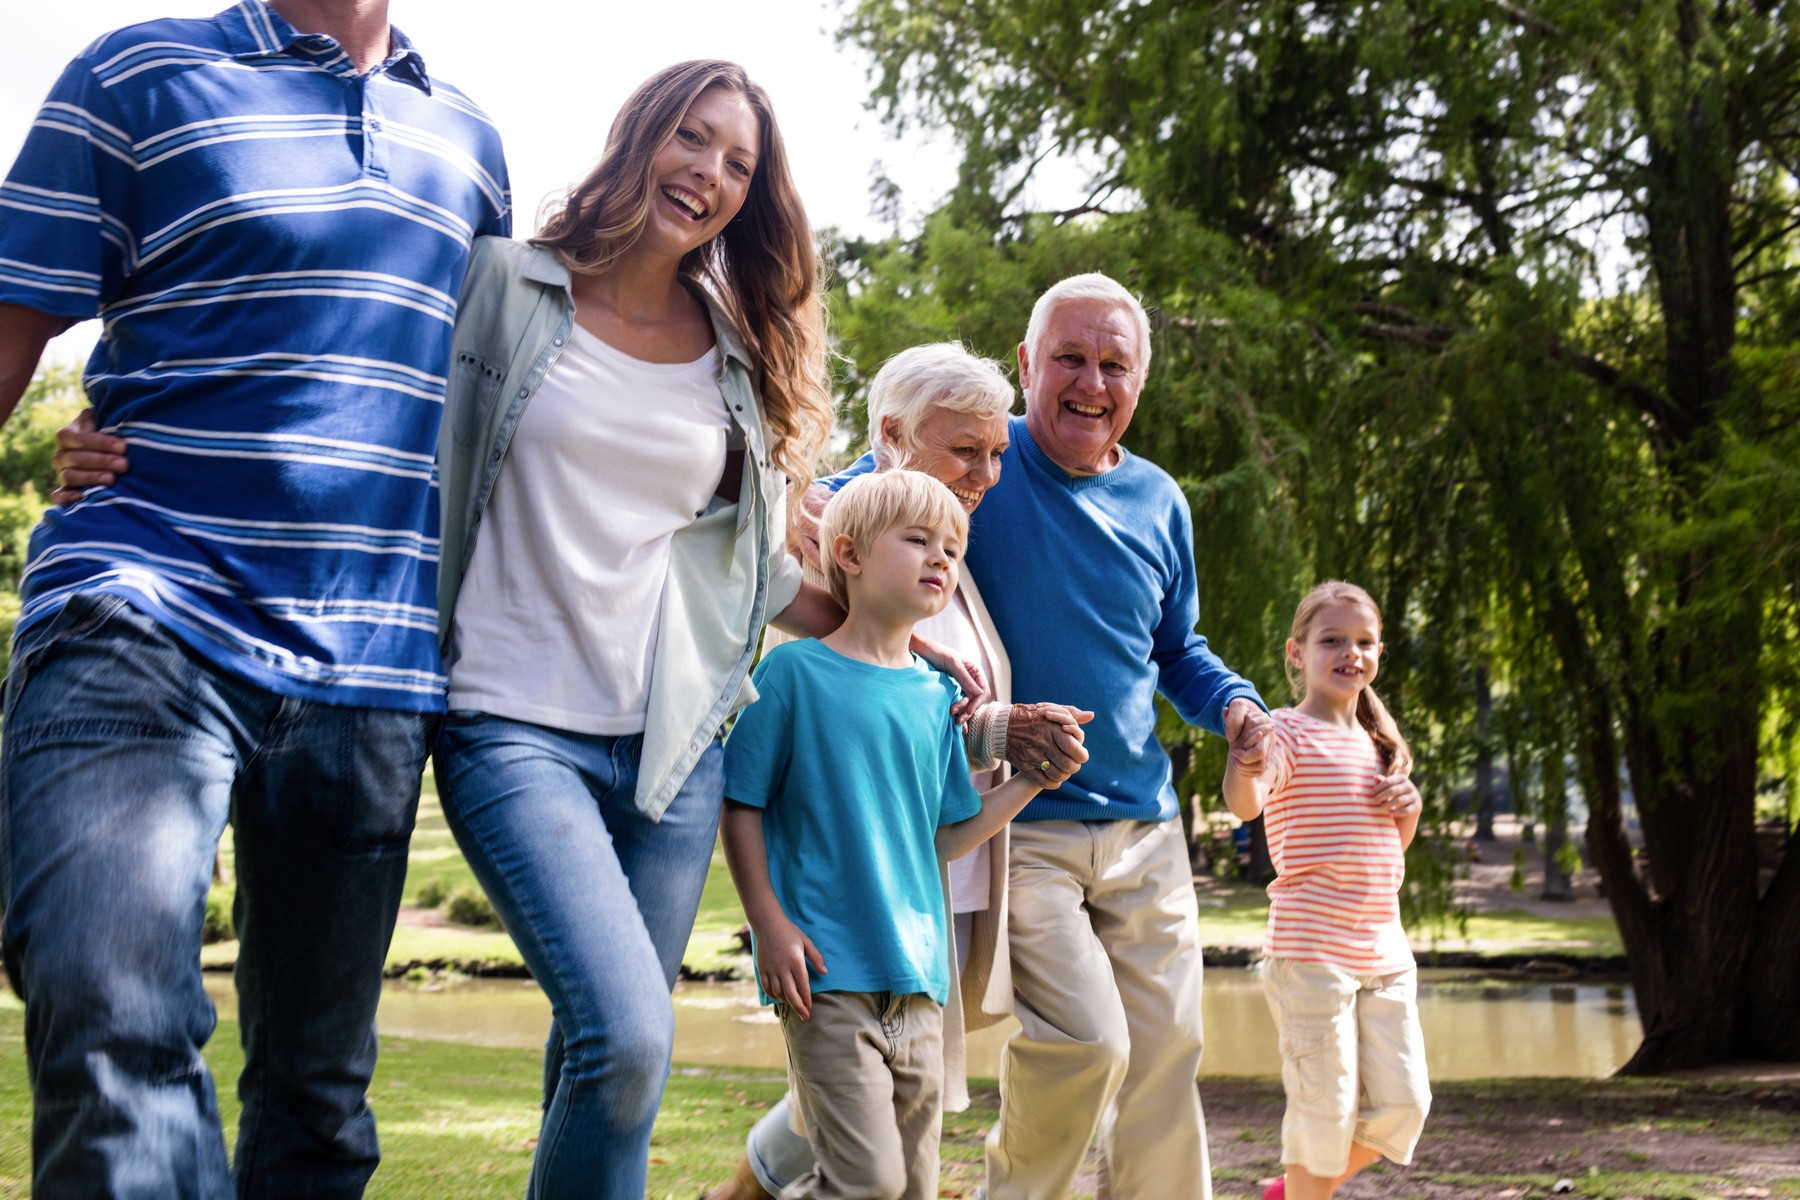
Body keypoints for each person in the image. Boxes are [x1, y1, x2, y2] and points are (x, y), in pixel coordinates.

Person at [0, 3, 509, 1195]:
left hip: (373, 673)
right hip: (142, 608)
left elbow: (495, 405)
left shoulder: (471, 144)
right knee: (110, 1023)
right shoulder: (136, 74)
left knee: (318, 1103)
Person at [799, 273, 1274, 1198]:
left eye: (1113, 365)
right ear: (1027, 365)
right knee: (1081, 1043)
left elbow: (1179, 651)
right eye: (1069, 359)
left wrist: (1238, 710)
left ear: (1140, 382)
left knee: (1171, 1050)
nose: (1091, 384)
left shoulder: (1158, 500)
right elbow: (846, 501)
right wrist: (799, 509)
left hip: (1146, 822)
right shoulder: (975, 463)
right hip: (1032, 827)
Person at [707, 343, 1093, 1200]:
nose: (989, 472)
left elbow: (933, 732)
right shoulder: (828, 534)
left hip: (913, 934)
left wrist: (1029, 767)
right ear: (892, 432)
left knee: (894, 1163)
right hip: (830, 929)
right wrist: (767, 921)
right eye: (968, 450)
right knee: (860, 1158)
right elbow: (785, 749)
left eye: (997, 451)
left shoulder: (932, 556)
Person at [1220, 580, 1429, 1200]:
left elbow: (1385, 853)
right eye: (1331, 639)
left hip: (1385, 953)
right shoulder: (1284, 732)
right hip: (1312, 954)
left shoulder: (1380, 743)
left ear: (1379, 653)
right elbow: (1245, 804)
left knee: (1407, 1104)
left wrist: (1409, 808)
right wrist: (1242, 760)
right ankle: (1307, 1189)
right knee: (1325, 1116)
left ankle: (1294, 1192)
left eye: (1364, 641)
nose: (1350, 652)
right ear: (1297, 651)